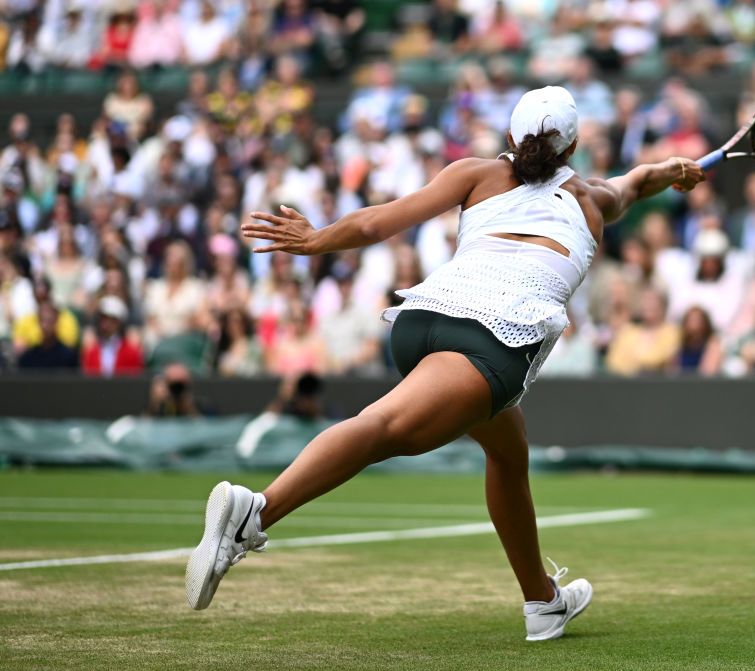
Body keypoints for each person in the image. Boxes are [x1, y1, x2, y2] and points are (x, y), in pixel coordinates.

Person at [188, 86, 706, 641]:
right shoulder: (592, 199)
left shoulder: (476, 173)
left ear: (511, 136)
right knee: (381, 428)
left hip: (421, 322)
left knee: (508, 450)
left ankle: (542, 601)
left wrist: (316, 240)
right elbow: (636, 182)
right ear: (574, 147)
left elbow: (376, 223)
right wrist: (671, 170)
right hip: (492, 339)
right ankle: (255, 513)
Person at [81, 296, 144, 377]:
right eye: (102, 318)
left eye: (110, 319)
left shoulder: (132, 353)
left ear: (119, 322)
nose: (105, 324)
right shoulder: (91, 353)